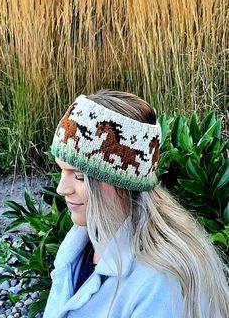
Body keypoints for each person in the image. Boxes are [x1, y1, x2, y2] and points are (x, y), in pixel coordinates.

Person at [43, 90, 229, 318]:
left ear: (122, 181)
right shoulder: (80, 243)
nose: (62, 188)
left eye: (80, 176)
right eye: (61, 170)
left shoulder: (158, 284)